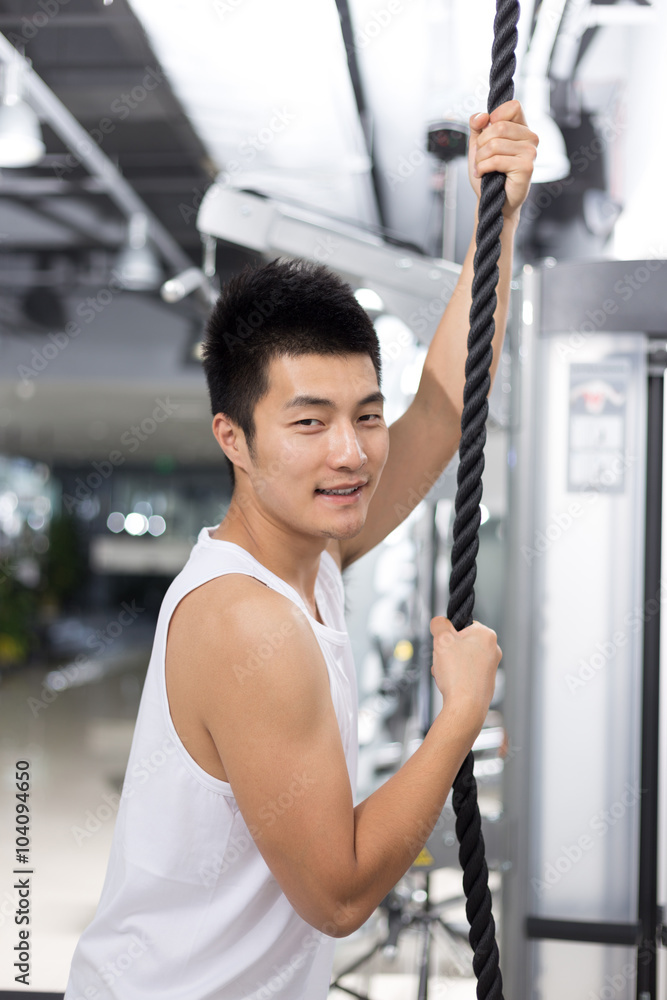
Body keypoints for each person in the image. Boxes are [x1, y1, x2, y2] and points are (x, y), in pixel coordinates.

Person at [64, 100, 538, 999]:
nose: (350, 451)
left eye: (363, 414)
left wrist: (498, 217)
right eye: (308, 422)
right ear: (233, 439)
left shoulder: (307, 555)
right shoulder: (251, 625)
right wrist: (459, 719)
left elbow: (439, 413)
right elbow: (339, 892)